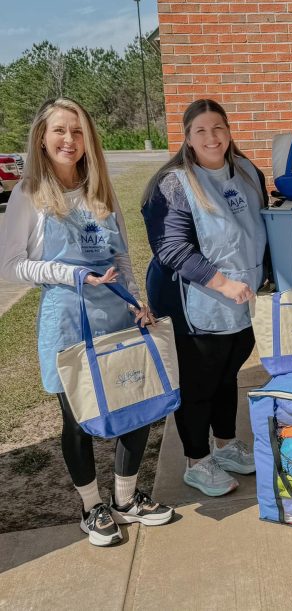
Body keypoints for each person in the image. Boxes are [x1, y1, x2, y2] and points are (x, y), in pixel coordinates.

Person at [0, 98, 173, 547]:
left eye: (77, 131)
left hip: (116, 315)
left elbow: (120, 255)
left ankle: (125, 499)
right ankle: (90, 506)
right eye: (59, 130)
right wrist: (70, 273)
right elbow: (10, 264)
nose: (69, 140)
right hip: (67, 321)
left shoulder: (101, 191)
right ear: (42, 138)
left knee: (135, 404)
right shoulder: (28, 194)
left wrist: (135, 299)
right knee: (77, 419)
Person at [141, 99, 268, 497]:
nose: (211, 137)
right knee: (198, 384)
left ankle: (226, 445)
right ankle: (196, 461)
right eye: (201, 130)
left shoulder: (247, 172)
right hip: (194, 302)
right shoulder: (173, 184)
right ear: (188, 137)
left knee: (227, 374)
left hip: (242, 297)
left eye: (218, 128)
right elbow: (172, 249)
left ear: (228, 131)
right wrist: (223, 284)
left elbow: (261, 226)